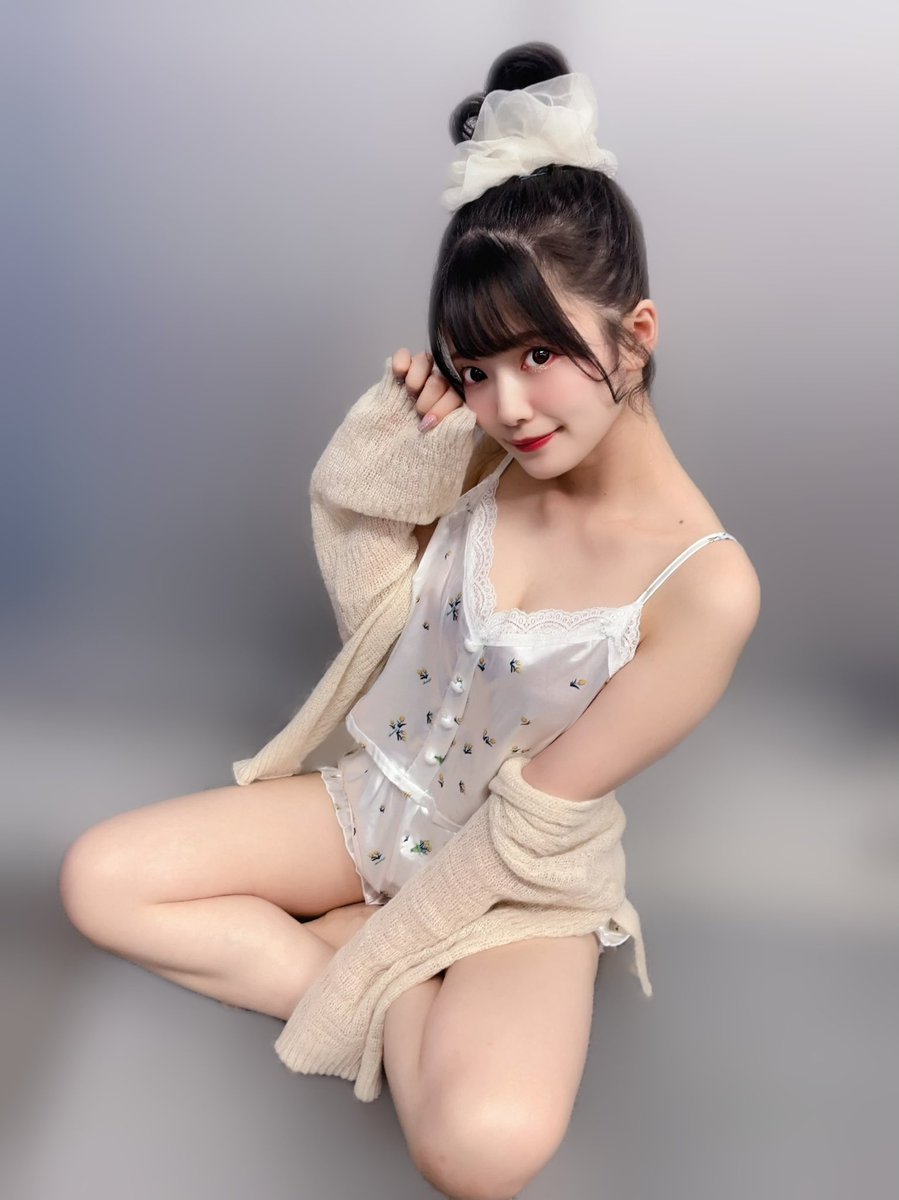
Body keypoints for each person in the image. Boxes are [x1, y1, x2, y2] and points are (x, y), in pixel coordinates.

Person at [58, 41, 760, 1200]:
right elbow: (381, 631)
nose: (508, 404)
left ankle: (369, 974)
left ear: (634, 336)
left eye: (540, 353)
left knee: (476, 1154)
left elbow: (528, 822)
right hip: (376, 803)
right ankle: (388, 998)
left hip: (512, 884)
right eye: (475, 367)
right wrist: (396, 446)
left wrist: (376, 951)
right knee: (99, 878)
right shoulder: (491, 454)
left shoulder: (704, 588)